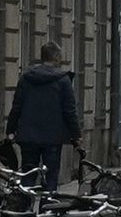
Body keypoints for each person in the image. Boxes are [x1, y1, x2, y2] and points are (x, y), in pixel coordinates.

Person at [9, 44, 82, 186]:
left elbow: (17, 106)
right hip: (53, 137)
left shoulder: (26, 78)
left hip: (28, 136)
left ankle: (26, 206)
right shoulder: (63, 80)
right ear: (56, 57)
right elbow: (69, 111)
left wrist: (10, 130)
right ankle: (48, 206)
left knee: (28, 174)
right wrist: (76, 135)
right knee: (51, 176)